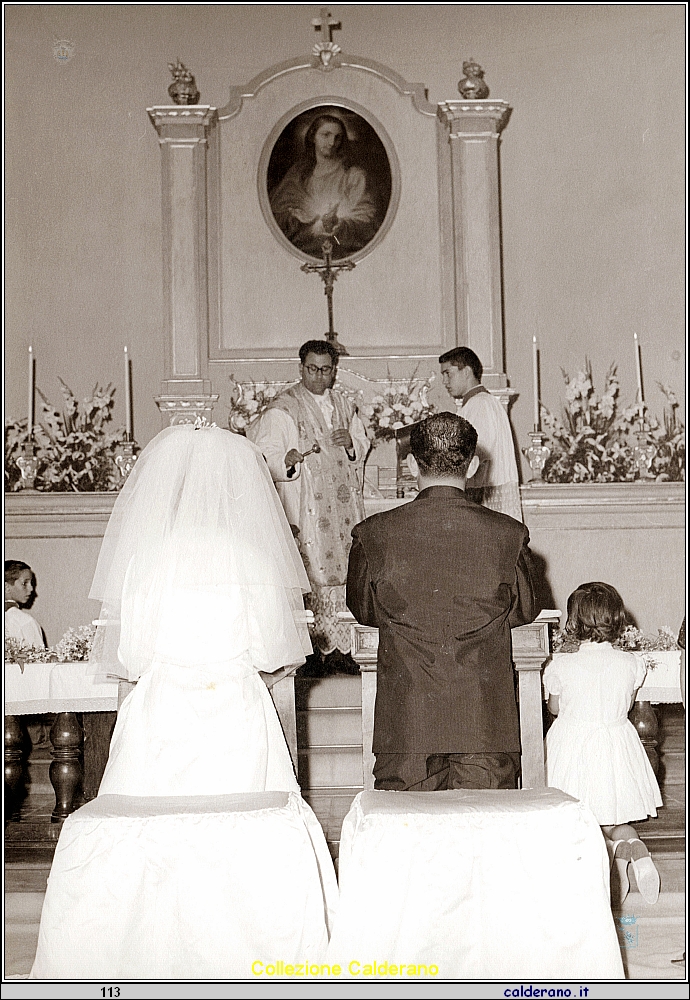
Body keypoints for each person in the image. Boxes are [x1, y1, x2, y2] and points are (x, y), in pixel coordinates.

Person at [90, 423, 314, 796]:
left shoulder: (144, 560)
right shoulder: (255, 559)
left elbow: (131, 655)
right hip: (234, 709)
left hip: (164, 710)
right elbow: (274, 653)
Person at [346, 412, 538, 791]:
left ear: (412, 464)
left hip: (406, 727)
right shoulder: (508, 534)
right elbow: (524, 610)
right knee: (486, 840)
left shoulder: (373, 533)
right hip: (484, 725)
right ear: (474, 466)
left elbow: (365, 610)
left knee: (409, 841)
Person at [248, 340, 368, 673]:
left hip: (343, 507)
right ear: (301, 368)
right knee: (309, 572)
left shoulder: (345, 406)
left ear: (334, 371)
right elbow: (261, 456)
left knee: (346, 569)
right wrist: (286, 461)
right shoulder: (282, 409)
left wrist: (353, 445)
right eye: (312, 369)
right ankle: (314, 654)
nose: (318, 376)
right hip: (306, 507)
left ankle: (345, 651)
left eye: (325, 369)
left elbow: (360, 443)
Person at [543, 582, 662, 905]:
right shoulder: (631, 664)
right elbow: (626, 701)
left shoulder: (562, 665)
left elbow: (554, 708)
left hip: (573, 745)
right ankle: (631, 850)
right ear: (617, 618)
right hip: (616, 745)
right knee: (613, 819)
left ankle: (596, 879)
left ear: (574, 621)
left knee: (575, 818)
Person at [269, 114, 378, 259]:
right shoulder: (300, 174)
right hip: (299, 252)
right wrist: (296, 217)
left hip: (341, 251)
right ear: (313, 137)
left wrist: (339, 224)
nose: (332, 142)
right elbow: (275, 213)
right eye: (326, 135)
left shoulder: (354, 176)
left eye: (338, 137)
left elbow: (367, 219)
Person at [439, 346, 522, 521]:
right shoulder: (477, 403)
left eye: (448, 373)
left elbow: (476, 455)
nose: (444, 381)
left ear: (467, 371)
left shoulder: (480, 405)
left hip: (484, 499)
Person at [5, 560, 44, 649]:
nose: (31, 589)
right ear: (6, 587)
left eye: (31, 583)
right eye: (25, 583)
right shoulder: (24, 621)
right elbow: (40, 660)